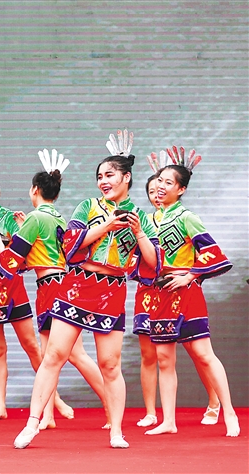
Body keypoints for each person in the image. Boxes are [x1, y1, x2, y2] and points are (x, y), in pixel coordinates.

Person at [13, 130, 160, 449]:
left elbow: (153, 263)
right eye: (100, 177)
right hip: (78, 285)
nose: (103, 181)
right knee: (54, 355)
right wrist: (106, 225)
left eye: (109, 175)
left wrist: (139, 233)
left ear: (126, 177)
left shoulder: (140, 217)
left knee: (110, 364)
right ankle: (32, 423)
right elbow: (69, 245)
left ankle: (116, 431)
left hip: (112, 291)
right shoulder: (88, 207)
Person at [0, 149, 110, 431]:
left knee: (75, 354)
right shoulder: (56, 218)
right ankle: (48, 415)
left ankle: (111, 405)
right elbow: (38, 253)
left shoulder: (36, 218)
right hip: (51, 284)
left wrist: (0, 251)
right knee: (49, 357)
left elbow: (15, 257)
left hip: (54, 286)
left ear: (35, 190)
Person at [0, 154, 73, 423]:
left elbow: (16, 250)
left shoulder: (11, 217)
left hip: (10, 284)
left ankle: (53, 402)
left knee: (32, 345)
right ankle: (1, 406)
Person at [142, 147, 239, 437]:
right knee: (164, 359)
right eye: (159, 181)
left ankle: (229, 412)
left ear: (181, 189)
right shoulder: (149, 220)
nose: (161, 186)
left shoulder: (187, 217)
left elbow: (212, 252)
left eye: (168, 182)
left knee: (203, 354)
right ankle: (168, 421)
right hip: (160, 295)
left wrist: (190, 275)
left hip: (186, 294)